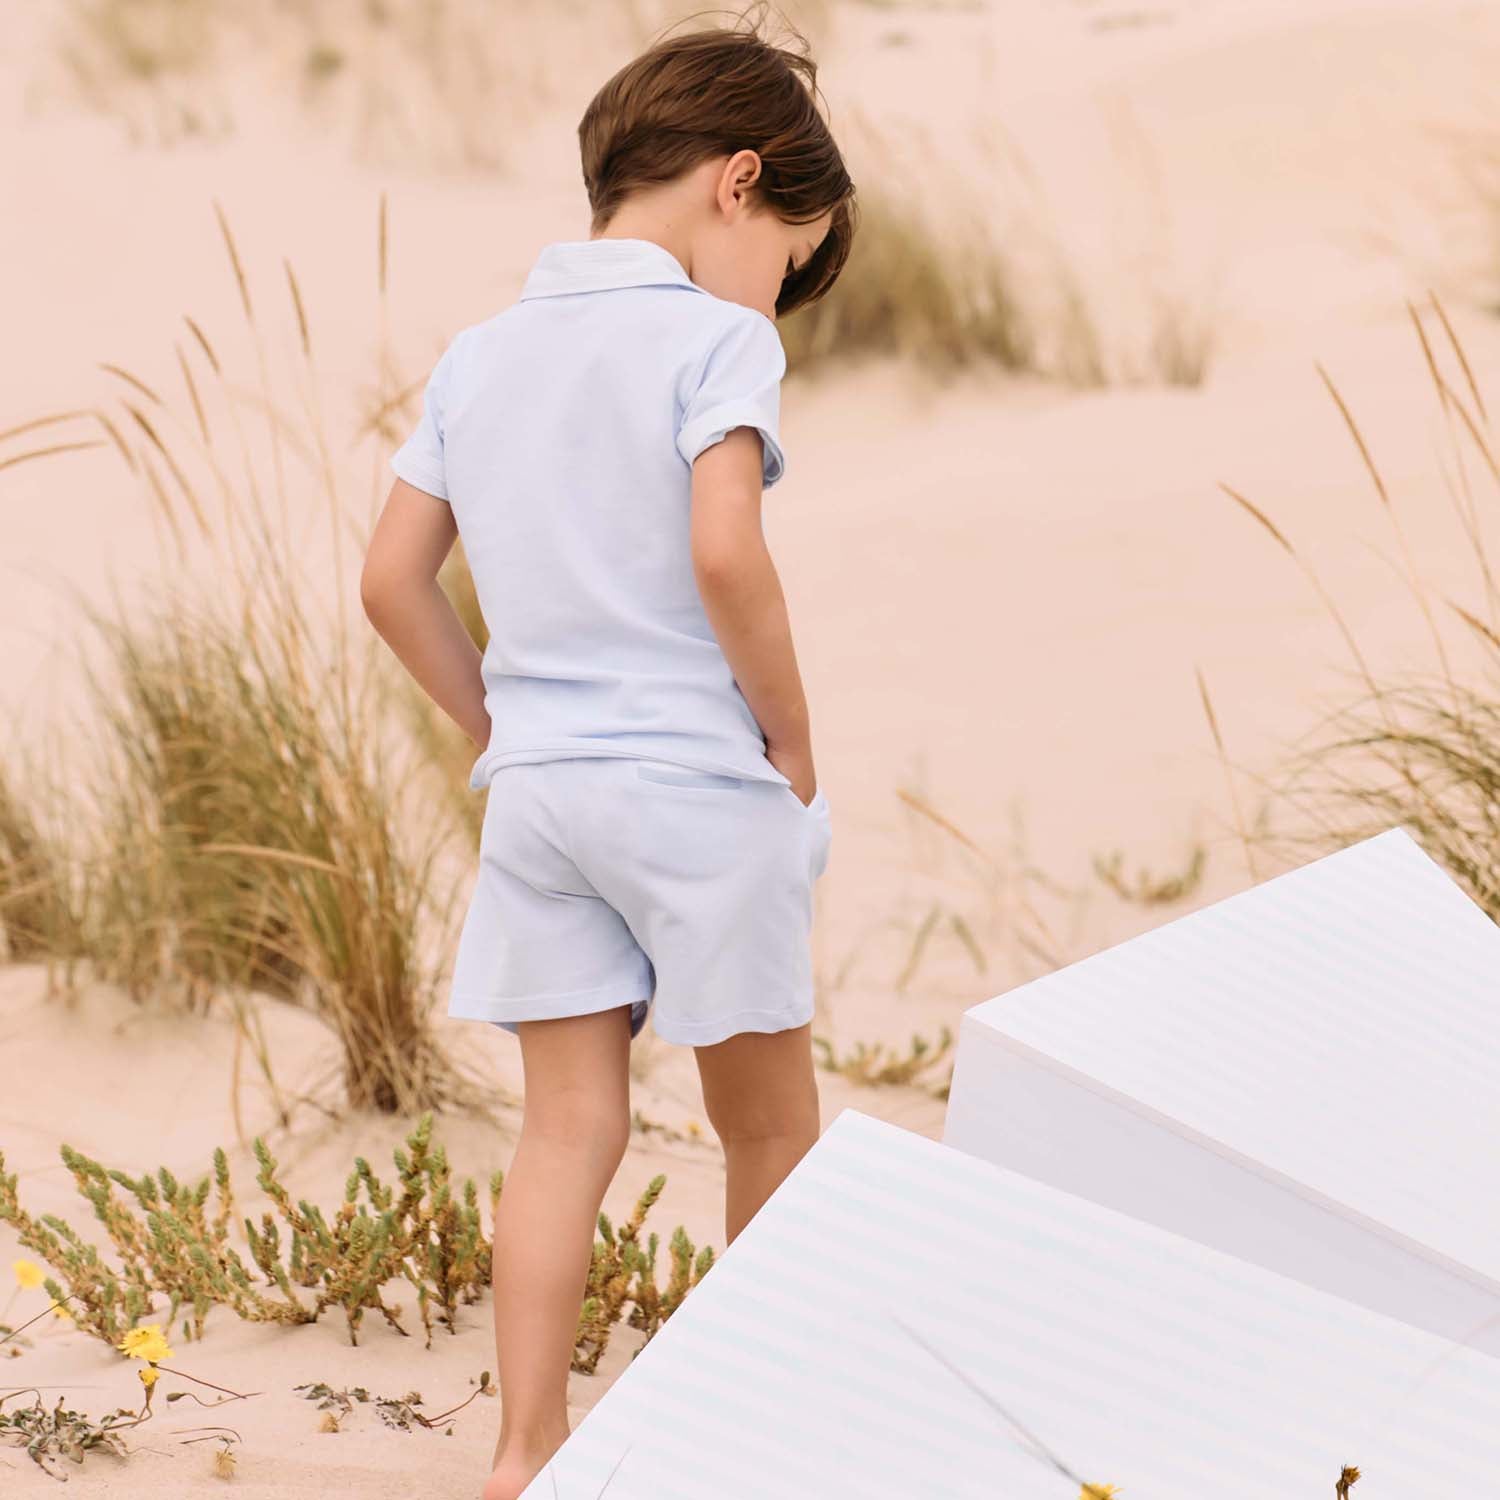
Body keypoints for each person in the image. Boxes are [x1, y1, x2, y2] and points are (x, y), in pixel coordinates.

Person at [360, 10, 857, 1498]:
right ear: (738, 180)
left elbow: (391, 582)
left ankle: (523, 1453)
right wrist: (788, 725)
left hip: (542, 803)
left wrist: (500, 727)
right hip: (697, 787)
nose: (779, 290)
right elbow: (726, 548)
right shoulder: (719, 339)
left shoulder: (482, 354)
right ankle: (758, 1441)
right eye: (792, 247)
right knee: (767, 1126)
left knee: (564, 1125)